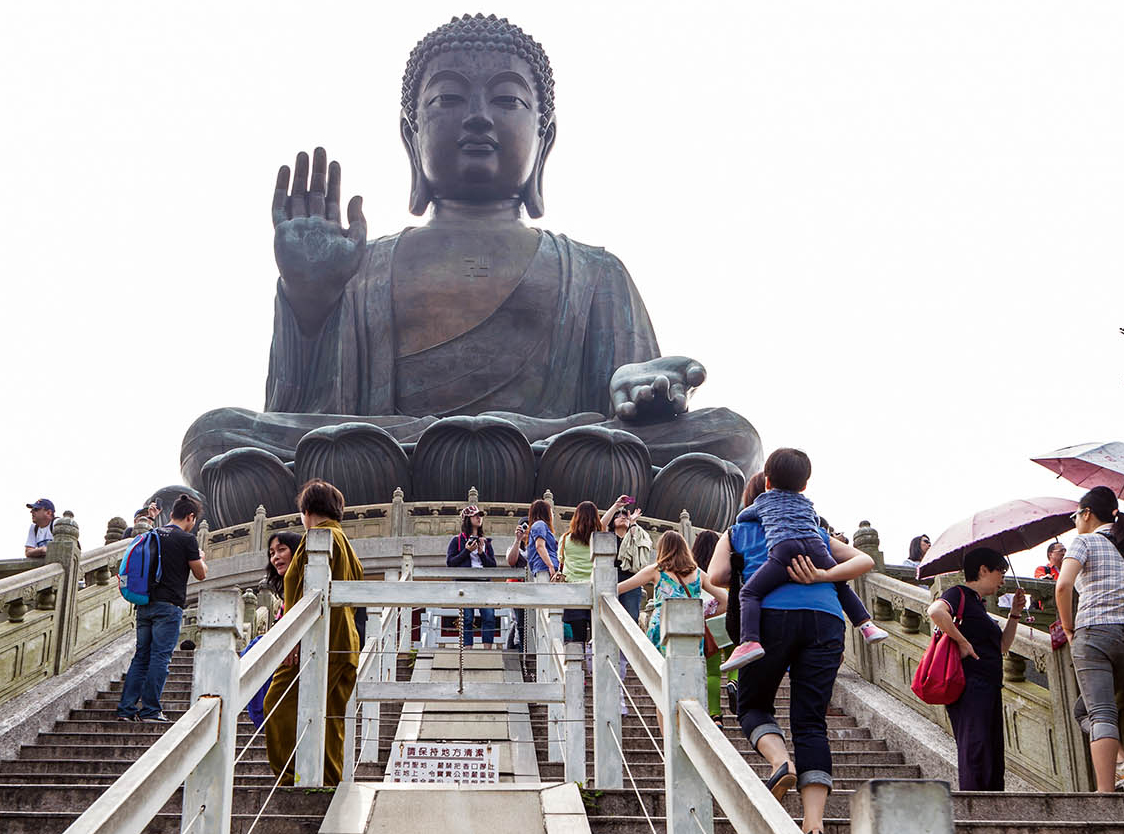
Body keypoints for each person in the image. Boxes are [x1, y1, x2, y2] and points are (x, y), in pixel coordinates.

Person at [176, 14, 763, 530]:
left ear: (545, 138)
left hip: (551, 457)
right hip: (397, 461)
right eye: (448, 100)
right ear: (412, 138)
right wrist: (309, 301)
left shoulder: (594, 272)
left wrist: (641, 393)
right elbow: (290, 412)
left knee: (732, 437)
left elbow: (628, 424)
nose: (478, 117)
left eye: (507, 100)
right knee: (215, 436)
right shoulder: (364, 266)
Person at [708, 477, 877, 829]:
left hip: (769, 621)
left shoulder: (737, 529)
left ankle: (781, 762)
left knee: (752, 704)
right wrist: (819, 575)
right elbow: (861, 559)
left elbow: (716, 575)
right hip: (826, 620)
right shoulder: (813, 529)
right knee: (811, 721)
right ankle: (813, 824)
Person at [722, 448, 886, 672]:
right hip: (816, 548)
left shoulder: (760, 504)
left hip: (783, 550)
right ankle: (867, 626)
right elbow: (818, 522)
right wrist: (825, 575)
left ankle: (749, 641)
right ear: (804, 485)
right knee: (840, 585)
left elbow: (744, 517)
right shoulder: (808, 505)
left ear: (767, 481)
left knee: (749, 593)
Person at [264, 479, 364, 786]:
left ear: (306, 509)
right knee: (330, 720)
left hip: (317, 642)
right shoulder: (345, 541)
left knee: (277, 706)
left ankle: (294, 777)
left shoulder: (317, 537)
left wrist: (294, 635)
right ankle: (328, 783)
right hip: (344, 643)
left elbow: (305, 594)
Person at [926, 547, 1026, 791]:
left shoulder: (978, 606)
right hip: (970, 684)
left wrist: (1014, 614)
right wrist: (962, 641)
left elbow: (1002, 646)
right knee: (976, 747)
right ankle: (976, 806)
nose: (1003, 579)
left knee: (992, 751)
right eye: (999, 572)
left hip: (990, 685)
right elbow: (935, 611)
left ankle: (994, 807)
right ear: (983, 570)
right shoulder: (957, 593)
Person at [1055, 486, 1124, 793]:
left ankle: (1106, 793)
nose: (1075, 522)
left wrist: (1068, 628)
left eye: (1075, 516)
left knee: (1098, 712)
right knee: (1108, 709)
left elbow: (1063, 586)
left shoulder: (1084, 541)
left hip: (1095, 633)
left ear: (1086, 514)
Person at [116, 494, 207, 722]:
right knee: (160, 657)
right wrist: (201, 557)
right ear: (190, 517)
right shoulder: (187, 540)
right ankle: (150, 710)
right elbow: (201, 573)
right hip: (169, 606)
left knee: (141, 657)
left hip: (145, 604)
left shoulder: (152, 534)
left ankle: (126, 710)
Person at [618, 530, 710, 734]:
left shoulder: (656, 570)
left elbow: (619, 588)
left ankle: (668, 741)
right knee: (689, 688)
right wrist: (703, 612)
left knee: (663, 689)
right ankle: (690, 737)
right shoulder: (698, 574)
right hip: (691, 632)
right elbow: (725, 600)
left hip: (662, 631)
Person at [243, 530, 302, 728]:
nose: (275, 557)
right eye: (271, 553)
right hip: (283, 654)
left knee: (258, 645)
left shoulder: (305, 585)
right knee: (256, 645)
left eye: (281, 550)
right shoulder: (287, 591)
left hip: (300, 655)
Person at [692, 529, 731, 729]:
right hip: (729, 616)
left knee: (713, 672)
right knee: (737, 662)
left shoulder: (692, 569)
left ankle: (716, 716)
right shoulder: (725, 564)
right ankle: (735, 684)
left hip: (707, 620)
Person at [446, 505, 498, 648]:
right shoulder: (457, 540)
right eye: (475, 515)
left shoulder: (485, 542)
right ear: (467, 519)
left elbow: (493, 566)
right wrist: (466, 551)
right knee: (467, 617)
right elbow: (450, 563)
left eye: (480, 515)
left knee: (488, 615)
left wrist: (482, 552)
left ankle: (487, 649)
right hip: (464, 583)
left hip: (484, 583)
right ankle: (467, 648)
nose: (479, 518)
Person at [601, 495, 651, 622]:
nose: (623, 518)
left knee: (630, 616)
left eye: (625, 516)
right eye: (619, 516)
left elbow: (641, 541)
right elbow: (601, 525)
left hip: (631, 578)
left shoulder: (633, 536)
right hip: (611, 577)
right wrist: (616, 506)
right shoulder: (608, 537)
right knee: (609, 615)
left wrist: (633, 522)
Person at [558, 501, 601, 643]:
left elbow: (561, 560)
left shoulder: (565, 539)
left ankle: (578, 664)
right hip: (596, 589)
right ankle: (594, 665)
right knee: (598, 638)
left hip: (573, 593)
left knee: (578, 638)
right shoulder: (600, 539)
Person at [505, 518, 531, 650]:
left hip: (534, 591)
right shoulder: (514, 547)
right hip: (518, 591)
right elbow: (511, 561)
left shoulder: (537, 546)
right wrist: (518, 539)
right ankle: (521, 649)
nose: (526, 529)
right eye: (524, 526)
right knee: (520, 621)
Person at [525, 499, 560, 578]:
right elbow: (540, 546)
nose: (552, 514)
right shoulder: (540, 524)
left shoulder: (540, 526)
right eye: (551, 512)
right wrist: (550, 565)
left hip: (545, 567)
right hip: (544, 568)